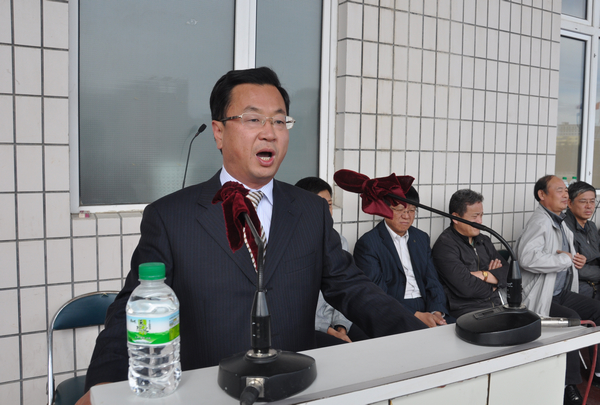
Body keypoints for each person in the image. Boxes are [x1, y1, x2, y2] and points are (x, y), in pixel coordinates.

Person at [76, 67, 426, 404]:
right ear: (218, 132)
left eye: (279, 121)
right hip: (209, 393)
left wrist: (418, 337)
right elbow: (133, 307)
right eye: (253, 119)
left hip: (294, 388)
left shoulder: (310, 211)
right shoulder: (170, 217)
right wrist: (104, 384)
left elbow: (352, 287)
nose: (269, 132)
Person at [516, 175, 600, 405]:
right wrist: (566, 259)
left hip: (560, 291)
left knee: (597, 309)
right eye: (560, 190)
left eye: (566, 190)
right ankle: (567, 385)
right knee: (570, 320)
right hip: (543, 295)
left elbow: (561, 254)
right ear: (542, 195)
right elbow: (527, 257)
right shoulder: (540, 222)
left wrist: (574, 258)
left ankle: (598, 371)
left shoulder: (559, 220)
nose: (565, 194)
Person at [353, 186, 450, 327]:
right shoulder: (368, 244)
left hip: (427, 304)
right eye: (399, 210)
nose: (406, 216)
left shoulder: (421, 238)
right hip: (393, 309)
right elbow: (377, 293)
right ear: (384, 210)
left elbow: (433, 281)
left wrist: (437, 312)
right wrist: (416, 315)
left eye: (412, 210)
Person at [295, 176, 368, 344]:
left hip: (335, 321)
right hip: (308, 325)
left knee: (370, 340)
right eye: (318, 205)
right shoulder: (293, 245)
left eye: (328, 205)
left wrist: (341, 325)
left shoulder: (339, 241)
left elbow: (345, 288)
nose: (326, 211)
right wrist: (328, 330)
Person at [431, 189, 509, 319]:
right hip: (467, 312)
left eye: (481, 215)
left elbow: (507, 272)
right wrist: (495, 283)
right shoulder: (445, 246)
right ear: (455, 218)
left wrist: (483, 275)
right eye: (474, 216)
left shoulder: (483, 240)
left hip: (497, 305)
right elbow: (467, 287)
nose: (480, 221)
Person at [563, 181, 600, 300]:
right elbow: (573, 269)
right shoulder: (563, 228)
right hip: (579, 287)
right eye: (583, 201)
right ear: (570, 203)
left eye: (592, 201)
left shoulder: (591, 226)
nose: (589, 206)